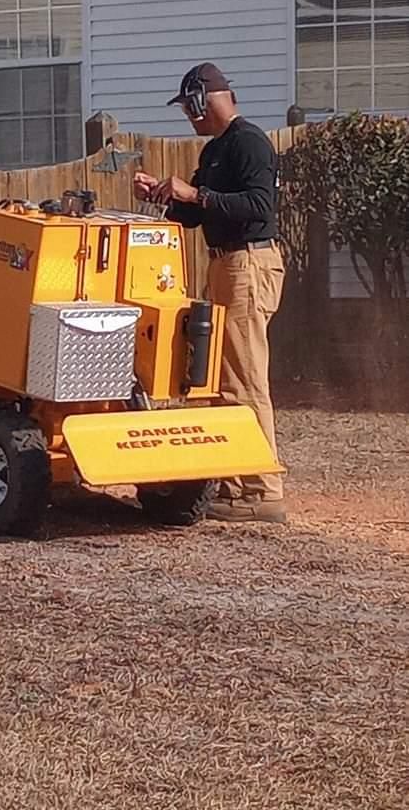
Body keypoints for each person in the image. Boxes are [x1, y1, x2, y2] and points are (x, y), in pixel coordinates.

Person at [134, 62, 286, 523]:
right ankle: (236, 480)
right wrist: (166, 195)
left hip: (247, 262)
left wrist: (196, 195)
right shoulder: (216, 151)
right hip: (224, 262)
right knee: (218, 376)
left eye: (189, 107)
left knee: (243, 376)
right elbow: (197, 217)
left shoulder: (249, 143)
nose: (189, 117)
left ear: (205, 98)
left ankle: (263, 491)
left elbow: (259, 205)